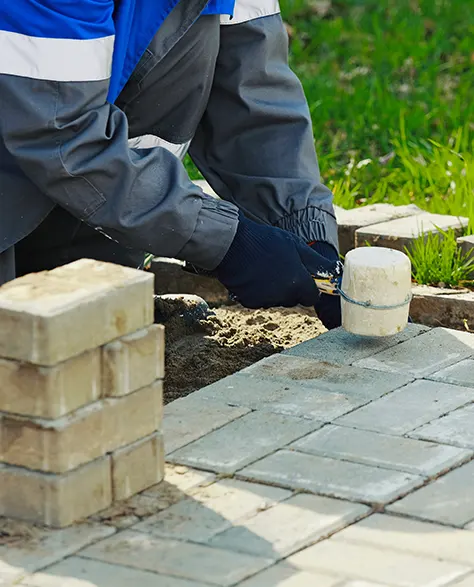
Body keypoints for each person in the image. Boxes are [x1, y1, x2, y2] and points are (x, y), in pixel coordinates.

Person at [0, 0, 342, 328]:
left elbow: (254, 89)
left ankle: (77, 276)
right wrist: (225, 241)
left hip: (89, 206)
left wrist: (304, 231)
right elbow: (61, 133)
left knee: (92, 337)